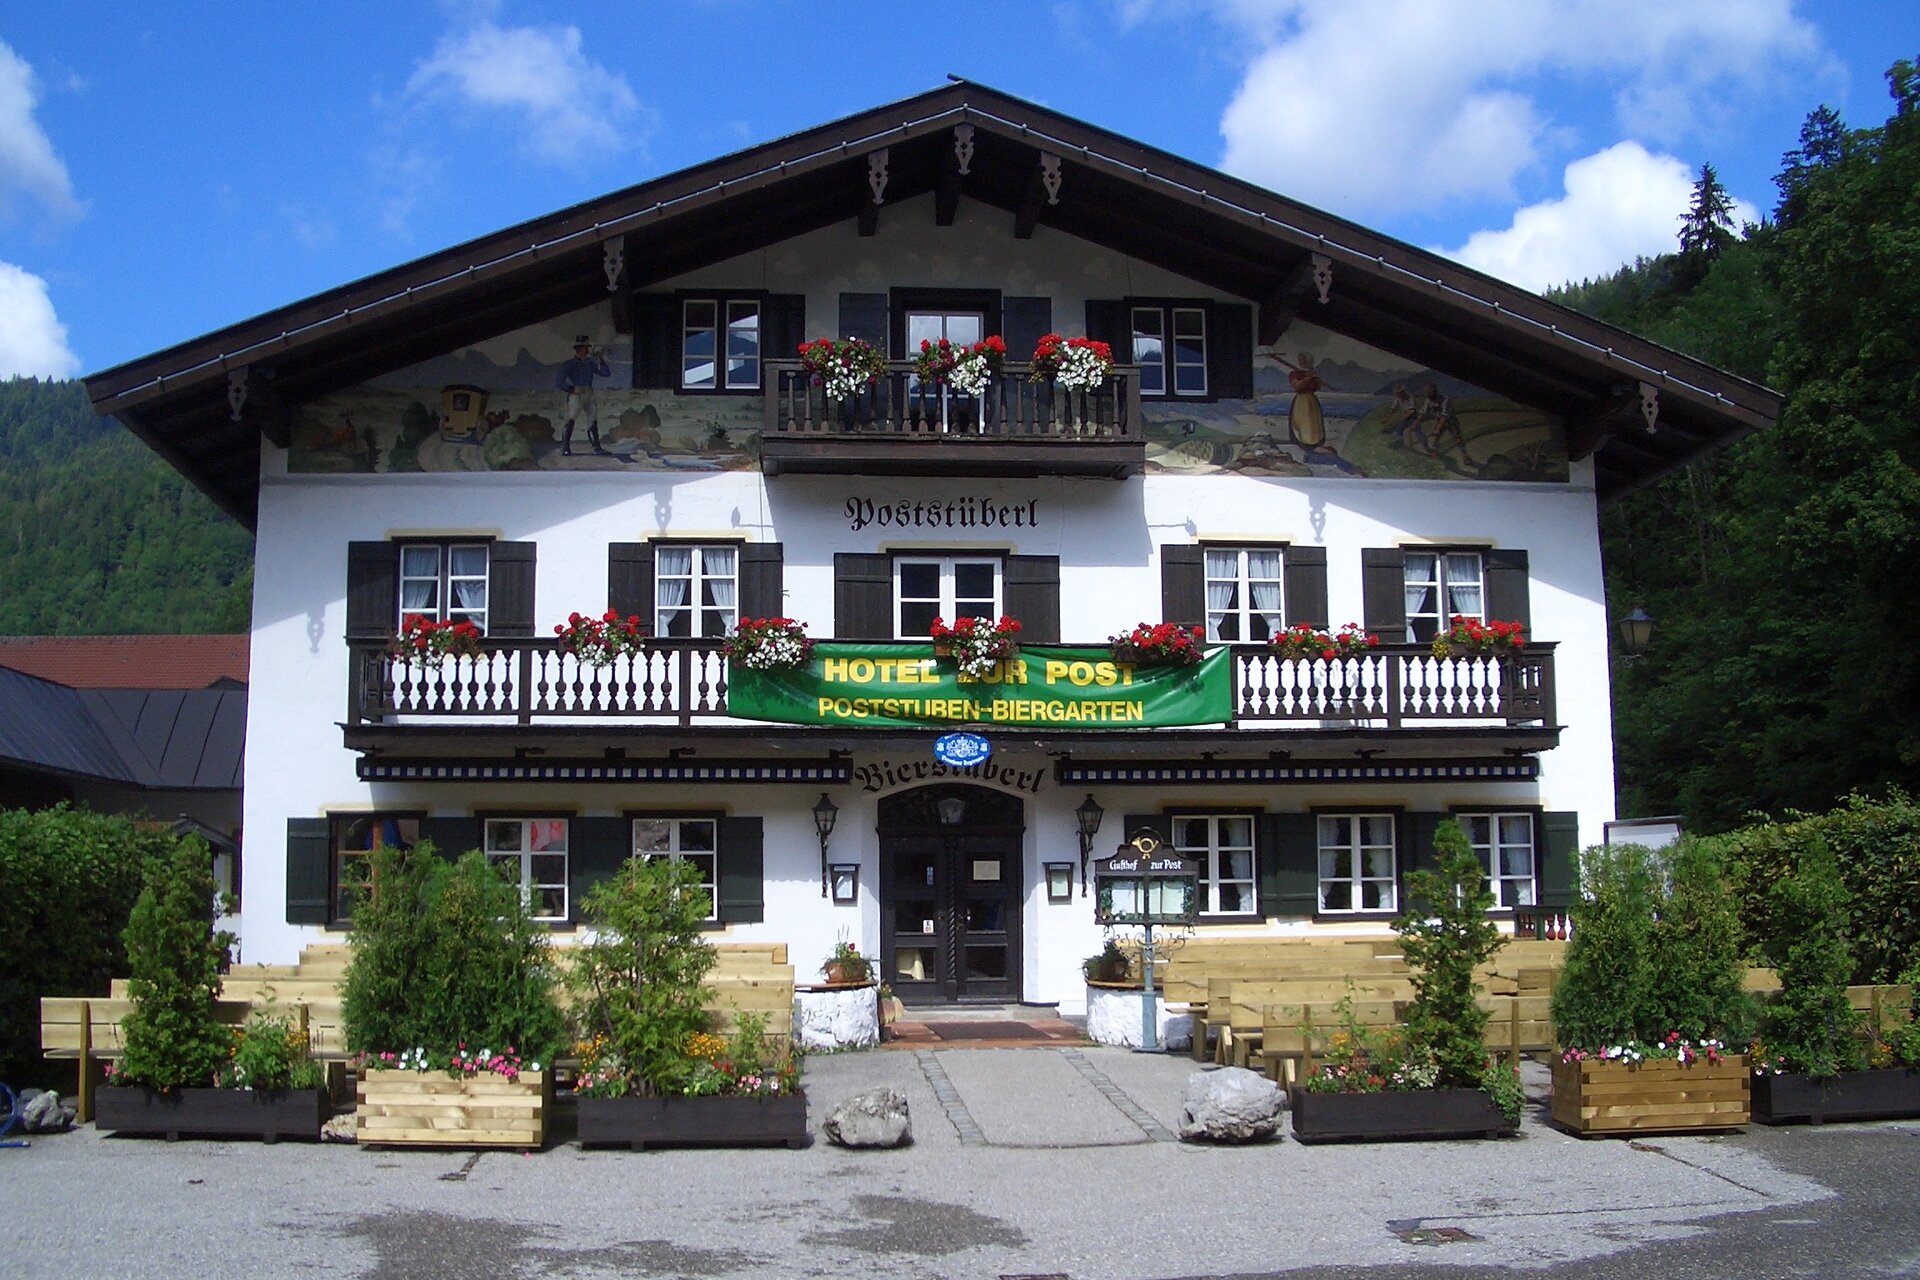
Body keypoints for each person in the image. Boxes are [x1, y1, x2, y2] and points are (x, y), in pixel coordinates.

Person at [555, 335, 613, 456]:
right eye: (584, 347)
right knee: (571, 419)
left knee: (592, 420)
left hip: (588, 393)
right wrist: (571, 388)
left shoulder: (590, 363)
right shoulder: (569, 364)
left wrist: (600, 359)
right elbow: (559, 382)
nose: (586, 350)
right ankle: (565, 448)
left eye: (586, 347)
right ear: (578, 349)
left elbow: (606, 373)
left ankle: (597, 448)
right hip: (576, 394)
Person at [1273, 351, 1330, 449]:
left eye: (1303, 359)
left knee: (1313, 423)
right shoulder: (1295, 374)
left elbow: (1317, 386)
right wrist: (1308, 378)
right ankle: (1303, 442)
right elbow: (1297, 386)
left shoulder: (1312, 372)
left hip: (1312, 400)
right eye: (1300, 359)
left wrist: (1314, 377)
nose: (1301, 361)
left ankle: (1314, 442)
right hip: (1302, 401)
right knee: (1302, 423)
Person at [1418, 382, 1465, 454]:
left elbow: (1444, 415)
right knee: (1435, 440)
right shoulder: (1428, 400)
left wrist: (1437, 428)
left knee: (1457, 438)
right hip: (1440, 421)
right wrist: (1416, 423)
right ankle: (1435, 453)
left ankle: (1465, 455)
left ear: (1434, 392)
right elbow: (1423, 412)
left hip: (1451, 421)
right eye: (1426, 392)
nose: (1428, 395)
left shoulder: (1445, 400)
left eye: (1429, 392)